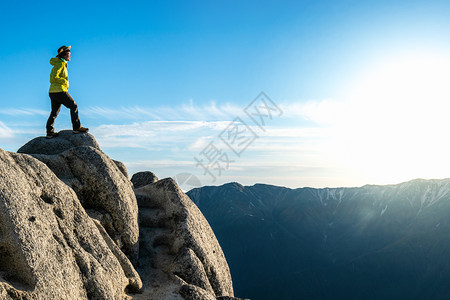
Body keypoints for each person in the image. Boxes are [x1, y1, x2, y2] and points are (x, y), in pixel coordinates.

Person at [46, 45, 89, 138]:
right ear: (64, 56)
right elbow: (53, 77)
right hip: (59, 91)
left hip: (53, 91)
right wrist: (64, 81)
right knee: (73, 106)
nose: (70, 56)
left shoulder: (61, 64)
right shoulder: (60, 64)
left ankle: (49, 132)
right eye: (69, 55)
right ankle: (76, 128)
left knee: (54, 112)